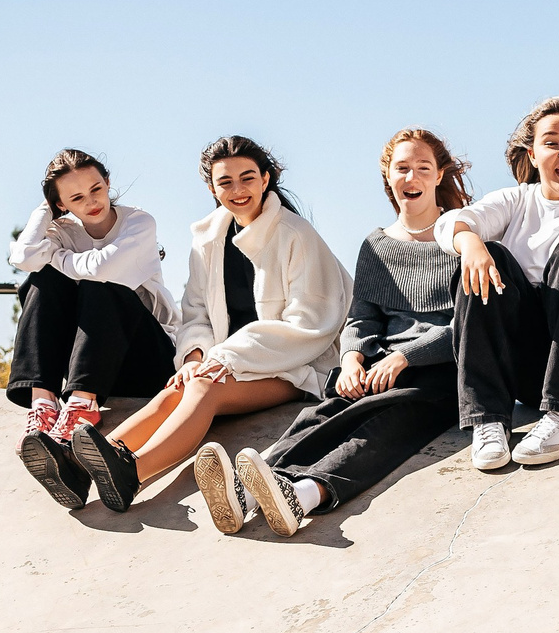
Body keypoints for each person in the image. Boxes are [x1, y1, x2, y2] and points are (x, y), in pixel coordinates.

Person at [198, 128, 470, 537]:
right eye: (402, 169)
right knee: (322, 414)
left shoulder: (463, 241)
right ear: (388, 175)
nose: (411, 178)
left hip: (440, 370)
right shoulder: (377, 244)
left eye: (422, 168)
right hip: (380, 365)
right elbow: (362, 316)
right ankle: (249, 494)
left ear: (438, 175)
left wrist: (405, 356)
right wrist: (351, 360)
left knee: (383, 425)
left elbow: (468, 324)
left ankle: (305, 495)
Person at [70, 136, 347, 512]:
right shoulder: (209, 238)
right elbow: (196, 309)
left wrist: (223, 358)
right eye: (226, 182)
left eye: (247, 178)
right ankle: (77, 469)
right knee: (177, 390)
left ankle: (131, 474)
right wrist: (193, 357)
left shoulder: (296, 234)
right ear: (212, 188)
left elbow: (310, 324)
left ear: (266, 179)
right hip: (225, 362)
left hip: (294, 365)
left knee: (204, 388)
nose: (238, 190)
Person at [438, 98, 559, 470]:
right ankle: (489, 418)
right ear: (532, 153)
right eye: (552, 142)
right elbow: (452, 223)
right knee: (487, 256)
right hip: (530, 370)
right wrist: (472, 245)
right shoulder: (517, 200)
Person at [4, 148, 175, 507]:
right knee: (42, 282)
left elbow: (102, 270)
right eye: (76, 197)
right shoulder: (62, 228)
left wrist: (59, 257)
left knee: (99, 285)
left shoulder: (138, 223)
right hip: (98, 366)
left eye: (96, 189)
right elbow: (23, 258)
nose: (92, 201)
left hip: (149, 359)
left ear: (108, 183)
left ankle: (81, 408)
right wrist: (45, 211)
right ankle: (45, 406)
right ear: (61, 204)